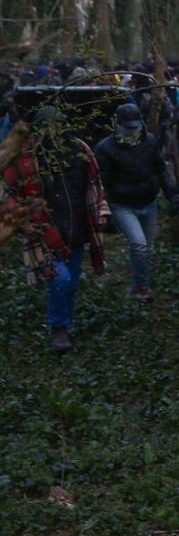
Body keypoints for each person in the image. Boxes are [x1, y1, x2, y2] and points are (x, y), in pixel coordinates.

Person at [1, 107, 110, 352]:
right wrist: (22, 220)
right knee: (60, 279)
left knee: (70, 282)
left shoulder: (81, 151)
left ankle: (65, 323)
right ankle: (58, 328)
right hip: (46, 233)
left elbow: (95, 185)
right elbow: (9, 194)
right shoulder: (26, 159)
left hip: (78, 230)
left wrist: (101, 211)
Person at [95, 103, 179, 302]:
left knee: (147, 248)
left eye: (134, 127)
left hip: (148, 201)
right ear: (117, 125)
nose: (131, 132)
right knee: (139, 244)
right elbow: (102, 183)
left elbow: (161, 170)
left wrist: (173, 195)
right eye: (127, 128)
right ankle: (142, 287)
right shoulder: (105, 148)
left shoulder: (150, 141)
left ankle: (139, 279)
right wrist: (104, 211)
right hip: (122, 205)